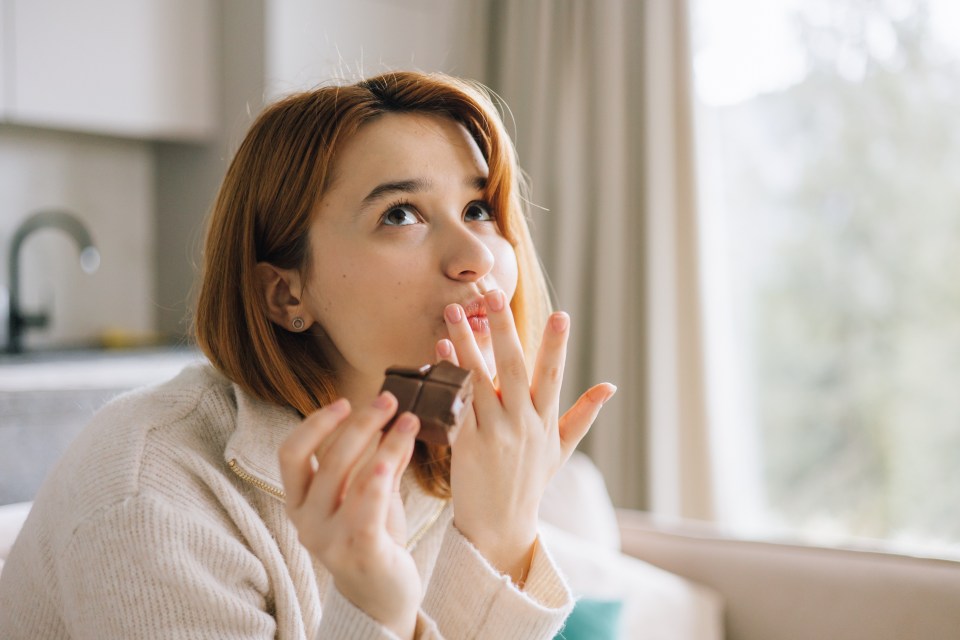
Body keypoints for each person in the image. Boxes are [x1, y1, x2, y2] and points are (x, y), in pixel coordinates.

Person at [0, 70, 616, 639]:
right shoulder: (151, 491)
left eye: (478, 209)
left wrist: (502, 539)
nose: (477, 256)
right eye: (400, 214)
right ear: (285, 291)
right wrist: (375, 608)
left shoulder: (453, 458)